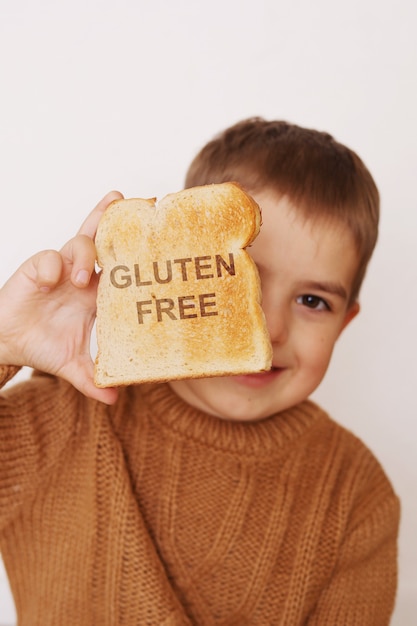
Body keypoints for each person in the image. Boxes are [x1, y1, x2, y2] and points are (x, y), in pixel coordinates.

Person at [0, 118, 400, 625]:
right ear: (172, 272)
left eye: (312, 300)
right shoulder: (60, 420)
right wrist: (6, 341)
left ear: (346, 323)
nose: (269, 327)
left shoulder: (355, 495)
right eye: (242, 276)